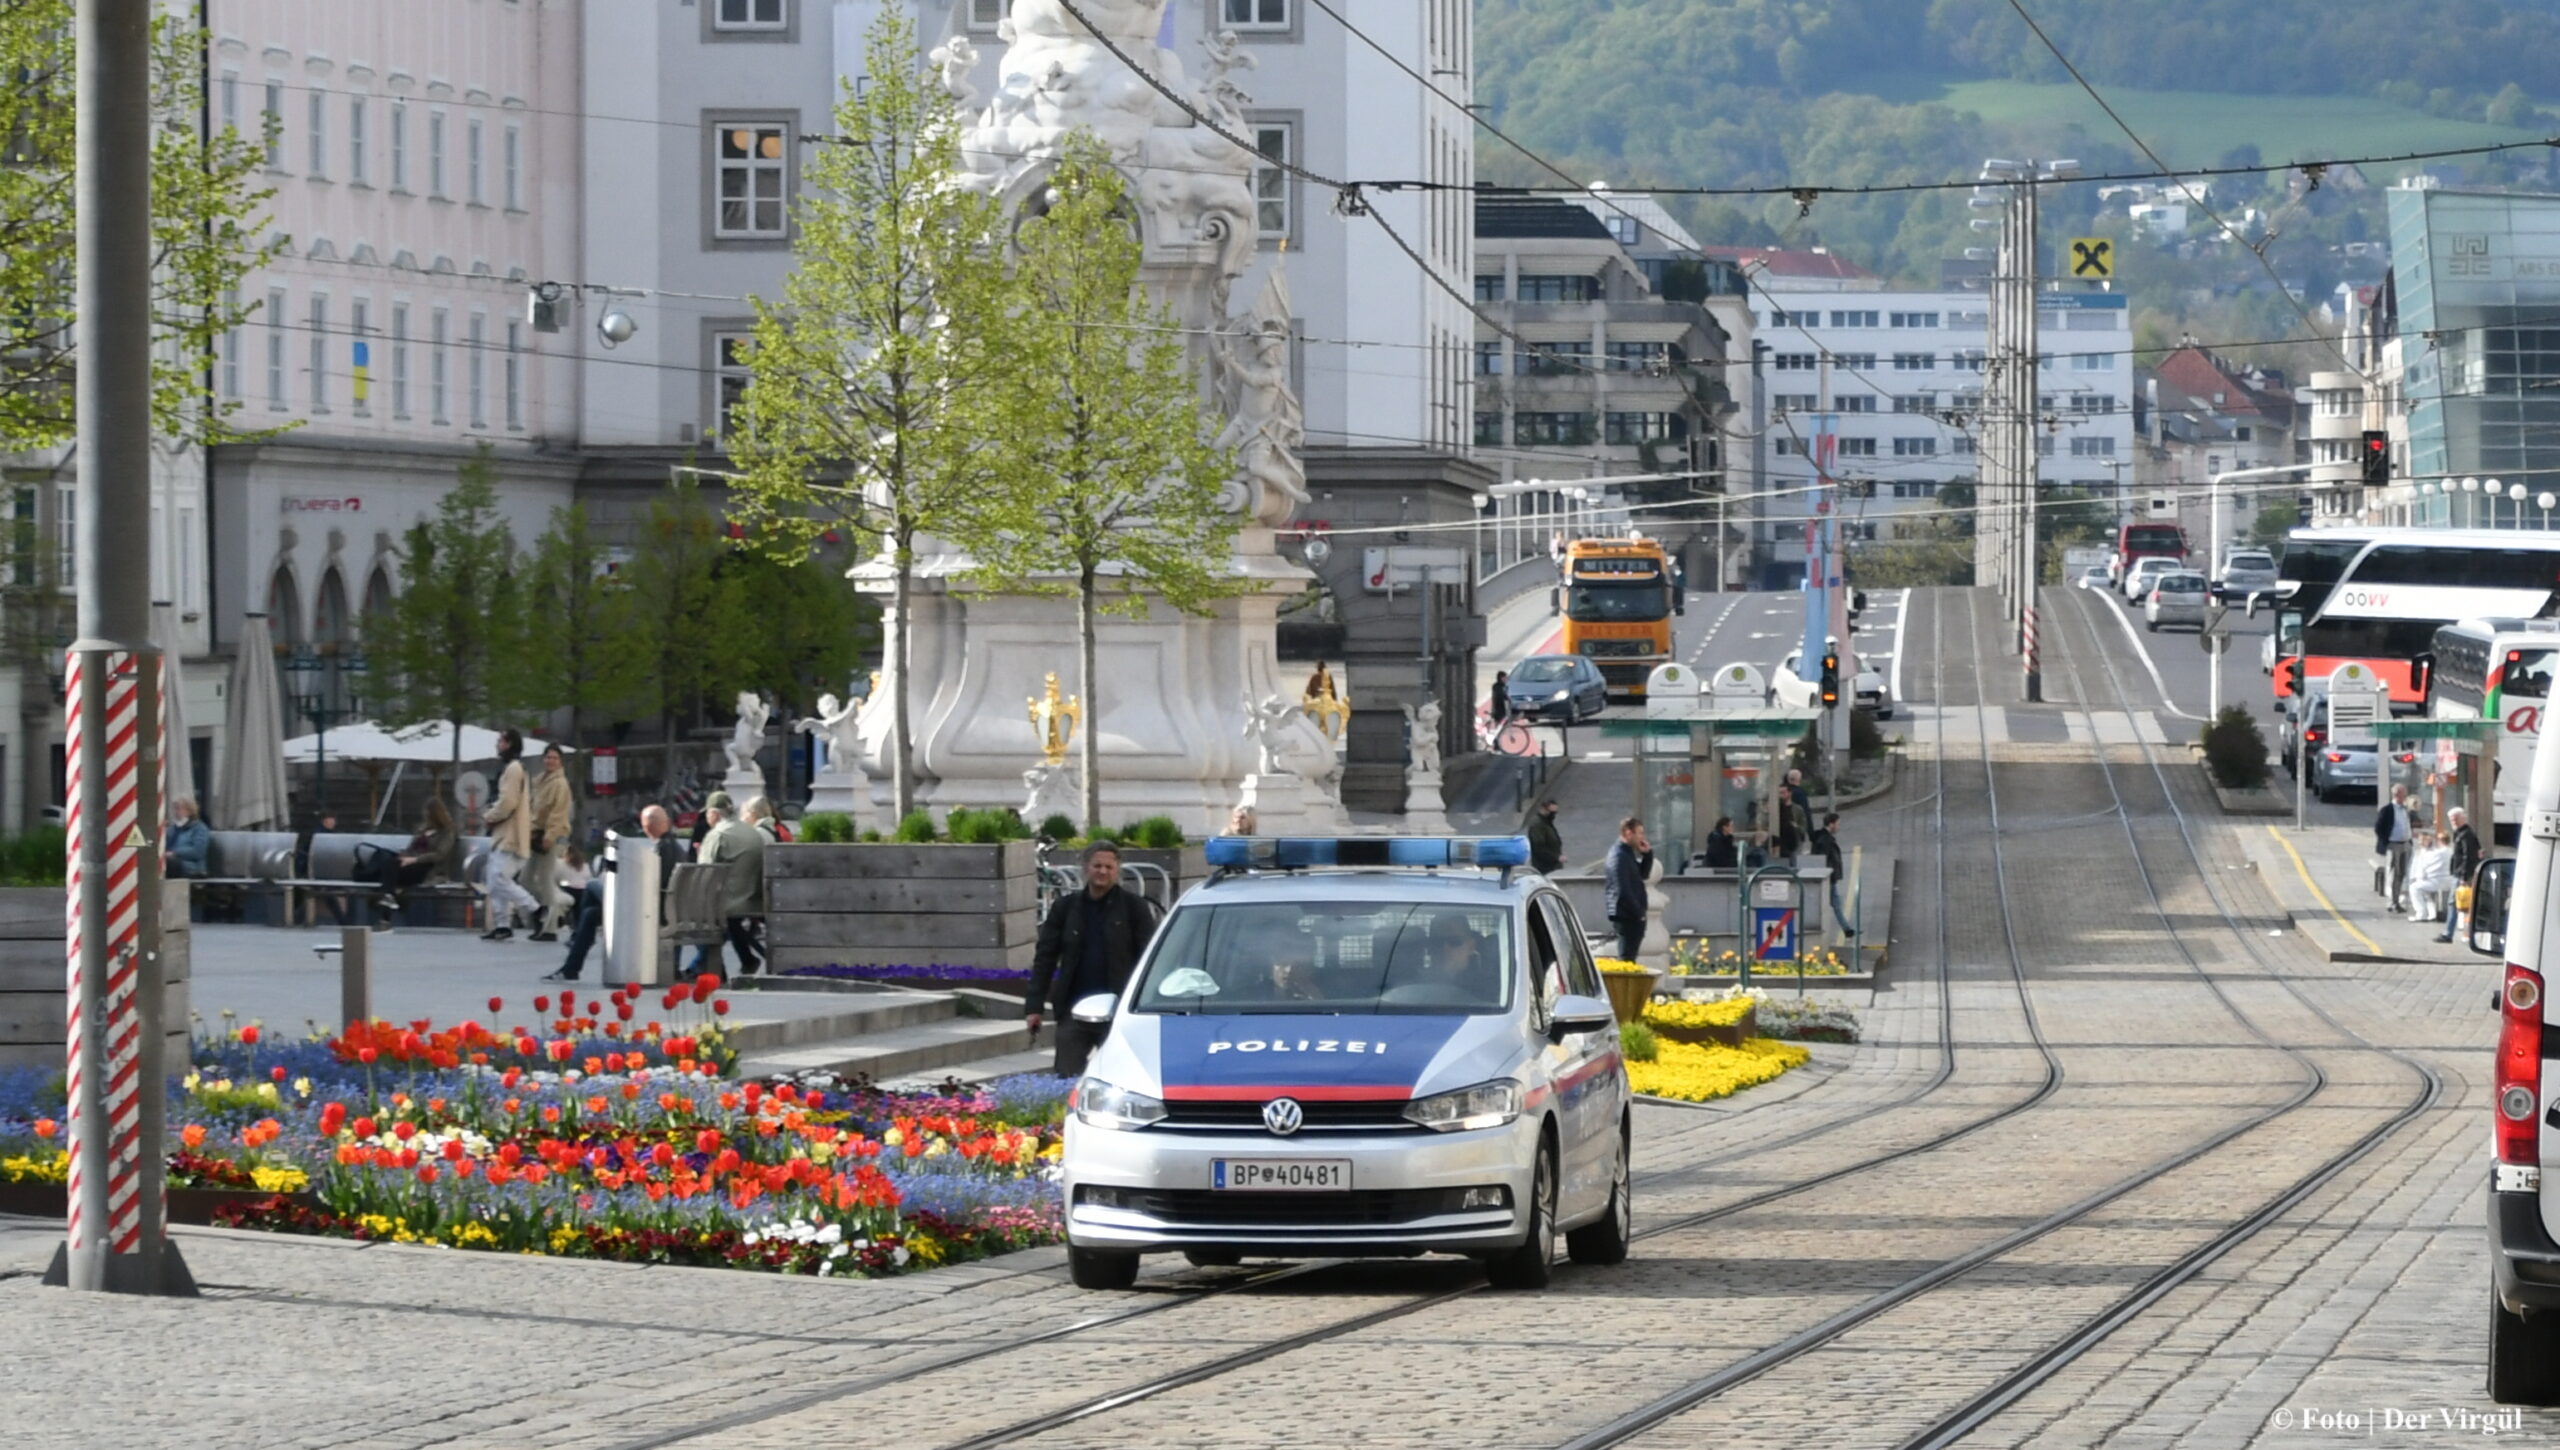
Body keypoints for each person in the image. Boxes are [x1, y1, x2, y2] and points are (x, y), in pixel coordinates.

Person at [1025, 841, 1159, 1077]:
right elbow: (1045, 959)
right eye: (1097, 866)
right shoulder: (1064, 908)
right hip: (1073, 1010)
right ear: (1086, 867)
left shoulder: (1134, 908)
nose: (1103, 872)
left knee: (1120, 1078)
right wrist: (1034, 1006)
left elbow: (1149, 960)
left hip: (1119, 1012)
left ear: (1117, 870)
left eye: (1109, 867)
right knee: (1067, 1078)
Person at [546, 804, 682, 983]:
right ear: (667, 823)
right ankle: (571, 966)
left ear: (646, 826)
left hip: (647, 912)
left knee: (592, 885)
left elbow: (647, 886)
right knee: (590, 914)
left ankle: (575, 944)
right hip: (665, 910)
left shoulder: (660, 850)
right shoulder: (677, 849)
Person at [479, 729, 543, 940]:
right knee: (493, 877)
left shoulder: (513, 769)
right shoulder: (514, 768)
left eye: (500, 740)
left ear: (508, 744)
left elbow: (508, 801)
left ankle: (535, 909)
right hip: (506, 833)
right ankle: (502, 924)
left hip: (511, 834)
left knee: (498, 878)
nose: (497, 744)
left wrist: (490, 815)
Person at [704, 795, 773, 976]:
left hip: (730, 902)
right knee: (730, 923)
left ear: (714, 814)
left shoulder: (718, 834)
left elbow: (704, 872)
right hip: (755, 898)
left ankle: (714, 972)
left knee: (702, 920)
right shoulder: (752, 832)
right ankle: (746, 960)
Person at [364, 798, 460, 914]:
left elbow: (440, 855)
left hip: (427, 868)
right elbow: (411, 848)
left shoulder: (447, 831)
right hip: (411, 864)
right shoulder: (422, 829)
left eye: (428, 815)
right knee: (388, 863)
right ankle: (389, 898)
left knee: (390, 869)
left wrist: (414, 859)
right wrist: (405, 855)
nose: (426, 818)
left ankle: (387, 899)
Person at [523, 744, 574, 943]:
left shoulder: (560, 784)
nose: (550, 761)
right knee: (525, 880)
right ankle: (556, 904)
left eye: (554, 758)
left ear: (560, 761)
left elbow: (558, 814)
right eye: (547, 757)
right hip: (535, 835)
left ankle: (550, 927)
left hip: (550, 837)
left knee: (545, 881)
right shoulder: (539, 782)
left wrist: (550, 836)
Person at [688, 793, 737, 976]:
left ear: (714, 814)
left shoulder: (714, 833)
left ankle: (697, 966)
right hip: (732, 895)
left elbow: (702, 867)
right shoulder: (737, 829)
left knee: (699, 921)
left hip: (715, 899)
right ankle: (708, 967)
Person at [1602, 816, 1654, 962]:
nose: (1642, 837)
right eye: (1639, 833)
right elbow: (1622, 890)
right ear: (1627, 833)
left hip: (1632, 915)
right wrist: (1638, 913)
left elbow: (1643, 874)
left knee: (1630, 957)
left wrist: (1647, 855)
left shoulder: (1626, 853)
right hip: (1626, 916)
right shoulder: (1618, 856)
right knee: (1626, 958)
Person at [2442, 806, 2484, 944]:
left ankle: (2449, 933)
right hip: (2460, 873)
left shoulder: (2466, 834)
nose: (2453, 821)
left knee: (2455, 903)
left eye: (2456, 819)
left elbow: (2468, 856)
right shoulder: (2460, 833)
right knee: (2460, 904)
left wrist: (2463, 877)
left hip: (2462, 875)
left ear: (2463, 818)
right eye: (2451, 819)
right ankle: (2459, 933)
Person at [1810, 811, 1854, 938]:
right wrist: (1830, 874)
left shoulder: (1822, 837)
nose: (1839, 827)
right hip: (1827, 878)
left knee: (1836, 904)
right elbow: (1822, 859)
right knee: (1833, 904)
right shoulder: (1825, 840)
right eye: (1837, 824)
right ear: (1831, 824)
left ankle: (1847, 929)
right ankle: (1847, 929)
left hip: (1828, 878)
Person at [2373, 784, 2415, 913]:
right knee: (2393, 873)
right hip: (2393, 844)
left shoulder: (2406, 809)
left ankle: (2396, 900)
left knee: (2401, 873)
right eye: (2403, 794)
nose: (2405, 796)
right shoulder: (2387, 810)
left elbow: (2407, 824)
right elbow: (2378, 828)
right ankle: (2392, 902)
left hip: (2405, 844)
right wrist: (2386, 841)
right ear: (2397, 794)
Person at [2406, 829, 2451, 924]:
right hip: (2448, 881)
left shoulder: (2433, 853)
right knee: (2425, 891)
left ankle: (2421, 914)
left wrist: (2416, 879)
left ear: (2439, 841)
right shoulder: (2450, 851)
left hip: (2437, 882)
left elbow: (2423, 870)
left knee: (2414, 888)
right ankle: (2432, 913)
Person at [162, 795, 209, 880]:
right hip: (174, 863)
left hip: (192, 867)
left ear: (189, 811)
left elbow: (198, 852)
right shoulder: (174, 829)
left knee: (169, 862)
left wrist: (175, 853)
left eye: (179, 809)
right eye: (175, 809)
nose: (176, 812)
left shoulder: (199, 828)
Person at [1525, 797, 1565, 875]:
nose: (1554, 815)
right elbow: (1539, 848)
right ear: (1543, 809)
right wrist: (1556, 857)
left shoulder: (1546, 822)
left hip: (1552, 866)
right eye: (1552, 812)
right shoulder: (1537, 824)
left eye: (1555, 812)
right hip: (1545, 868)